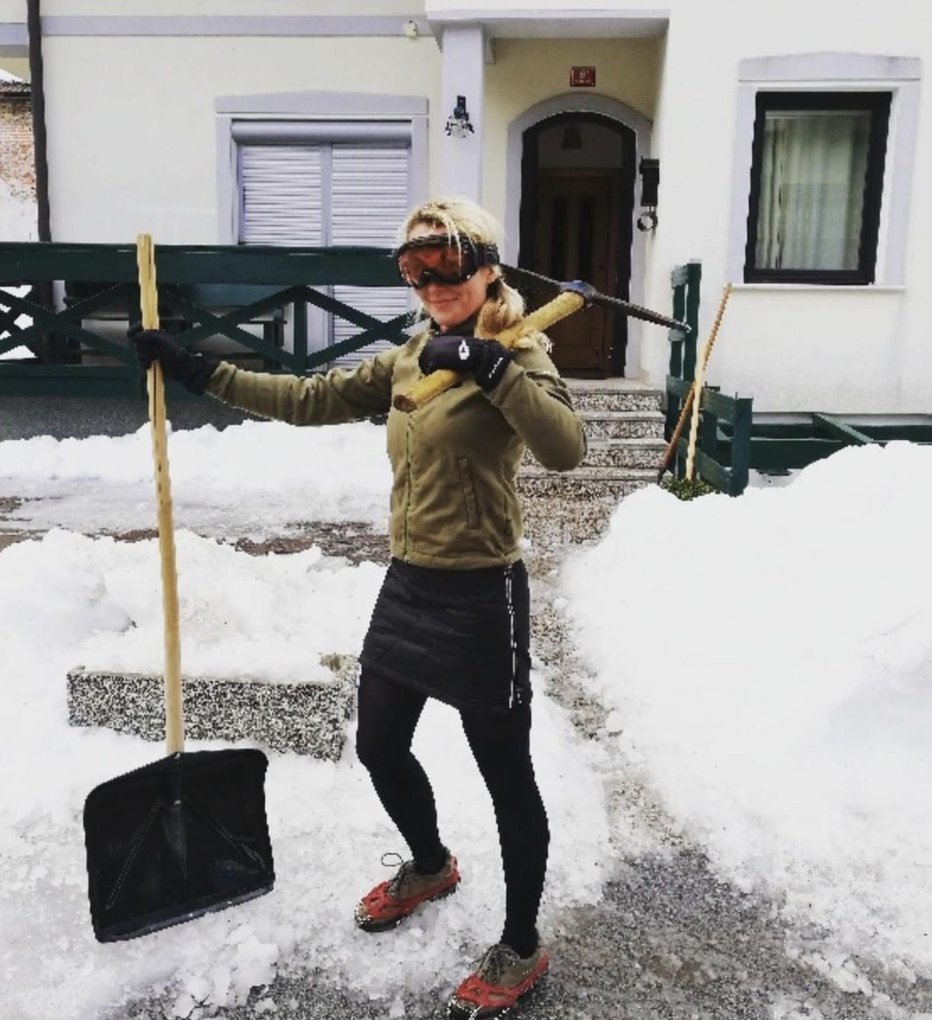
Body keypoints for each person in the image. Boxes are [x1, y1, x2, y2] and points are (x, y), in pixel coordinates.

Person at [133, 196, 586, 1018]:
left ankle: (521, 944)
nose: (431, 282)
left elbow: (565, 448)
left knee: (506, 778)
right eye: (413, 269)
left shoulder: (521, 349)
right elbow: (312, 398)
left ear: (487, 266)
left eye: (445, 262)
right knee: (379, 745)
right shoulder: (414, 356)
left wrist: (495, 370)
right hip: (410, 583)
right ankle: (431, 864)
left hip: (484, 595)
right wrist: (199, 368)